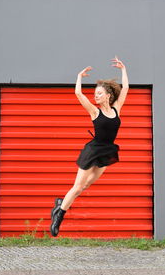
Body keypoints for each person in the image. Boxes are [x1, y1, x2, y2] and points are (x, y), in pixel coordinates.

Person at [50, 56, 129, 237]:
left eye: (99, 93)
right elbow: (79, 94)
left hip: (107, 151)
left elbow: (125, 88)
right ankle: (58, 215)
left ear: (108, 96)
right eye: (95, 93)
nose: (96, 95)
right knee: (78, 186)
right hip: (93, 151)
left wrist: (123, 70)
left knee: (86, 185)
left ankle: (60, 203)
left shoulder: (117, 108)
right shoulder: (95, 111)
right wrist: (79, 77)